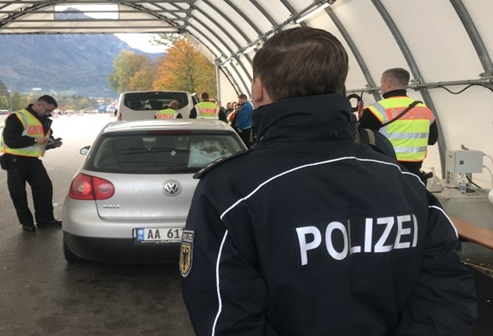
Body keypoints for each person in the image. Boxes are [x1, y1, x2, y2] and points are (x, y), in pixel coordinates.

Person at [179, 27, 476, 336]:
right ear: (339, 87)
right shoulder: (409, 188)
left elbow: (224, 316)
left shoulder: (231, 190)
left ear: (257, 89)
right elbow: (446, 297)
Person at [358, 67, 438, 178]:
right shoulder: (425, 110)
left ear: (388, 84)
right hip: (413, 172)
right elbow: (432, 140)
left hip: (385, 169)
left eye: (381, 83)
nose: (381, 86)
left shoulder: (376, 110)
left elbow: (360, 141)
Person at [0, 95, 63, 232]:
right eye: (47, 110)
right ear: (39, 105)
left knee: (44, 188)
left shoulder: (44, 120)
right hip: (15, 161)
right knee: (19, 194)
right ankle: (26, 223)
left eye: (50, 112)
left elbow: (42, 141)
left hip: (33, 161)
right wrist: (33, 141)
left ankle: (45, 220)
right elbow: (11, 140)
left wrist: (52, 143)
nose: (48, 113)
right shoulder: (17, 117)